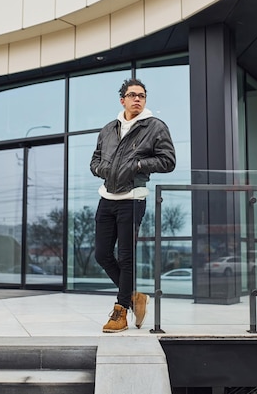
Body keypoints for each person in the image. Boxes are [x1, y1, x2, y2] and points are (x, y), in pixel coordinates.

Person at [90, 78, 176, 332]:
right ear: (122, 100)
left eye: (142, 95)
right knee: (102, 254)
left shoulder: (154, 127)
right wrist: (101, 169)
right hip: (107, 197)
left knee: (126, 257)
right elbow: (95, 159)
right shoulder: (108, 129)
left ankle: (120, 312)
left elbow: (168, 160)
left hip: (133, 198)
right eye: (133, 95)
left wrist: (138, 165)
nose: (137, 99)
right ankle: (134, 296)